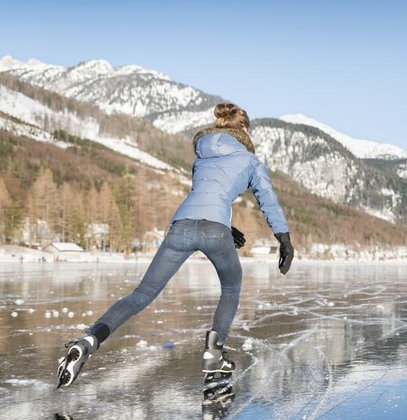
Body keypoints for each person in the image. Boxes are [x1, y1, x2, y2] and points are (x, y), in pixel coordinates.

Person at [56, 103, 294, 388]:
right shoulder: (250, 161)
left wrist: (227, 226)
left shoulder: (202, 155)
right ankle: (214, 355)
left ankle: (88, 341)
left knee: (141, 294)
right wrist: (284, 239)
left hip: (181, 226)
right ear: (244, 129)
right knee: (231, 287)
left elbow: (204, 194)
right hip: (214, 230)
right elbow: (266, 199)